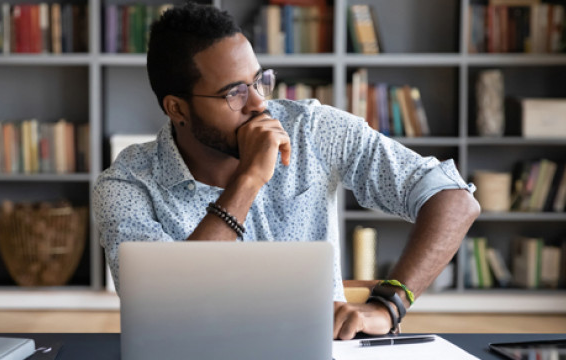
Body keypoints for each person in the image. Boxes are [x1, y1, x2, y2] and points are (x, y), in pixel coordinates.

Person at [93, 2, 480, 340]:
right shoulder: (126, 186)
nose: (260, 104)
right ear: (176, 108)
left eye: (259, 80)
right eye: (234, 93)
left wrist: (390, 304)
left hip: (323, 349)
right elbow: (161, 310)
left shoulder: (311, 129)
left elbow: (455, 199)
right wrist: (249, 180)